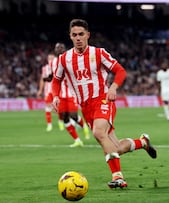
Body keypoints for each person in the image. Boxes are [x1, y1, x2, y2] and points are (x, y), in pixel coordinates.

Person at [52, 18, 157, 188]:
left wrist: (113, 88)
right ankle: (142, 142)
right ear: (70, 37)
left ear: (88, 35)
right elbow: (56, 80)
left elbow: (120, 71)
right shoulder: (64, 59)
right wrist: (56, 96)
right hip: (85, 107)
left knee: (99, 133)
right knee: (115, 148)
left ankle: (118, 177)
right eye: (74, 35)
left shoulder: (99, 53)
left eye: (81, 34)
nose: (78, 38)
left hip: (102, 99)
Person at [52, 42, 90, 147]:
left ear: (64, 49)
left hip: (71, 93)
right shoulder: (53, 62)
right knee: (64, 117)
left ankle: (84, 127)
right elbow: (54, 77)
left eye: (61, 47)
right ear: (55, 50)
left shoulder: (69, 59)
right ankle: (77, 140)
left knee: (73, 115)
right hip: (60, 95)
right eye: (57, 48)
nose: (59, 49)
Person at [37, 53, 64, 132]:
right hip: (48, 91)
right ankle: (49, 125)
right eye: (49, 58)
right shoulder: (45, 68)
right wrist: (40, 90)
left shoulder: (59, 67)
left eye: (52, 58)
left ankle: (60, 122)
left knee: (59, 107)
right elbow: (42, 79)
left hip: (57, 91)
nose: (50, 60)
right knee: (48, 107)